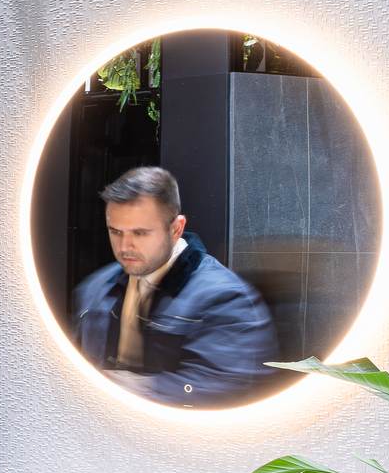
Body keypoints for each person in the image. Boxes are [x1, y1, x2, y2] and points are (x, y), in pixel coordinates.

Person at [71, 165, 279, 405]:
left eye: (140, 233)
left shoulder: (226, 297)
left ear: (176, 230)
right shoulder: (96, 287)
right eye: (115, 232)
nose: (124, 246)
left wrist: (128, 387)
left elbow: (223, 386)